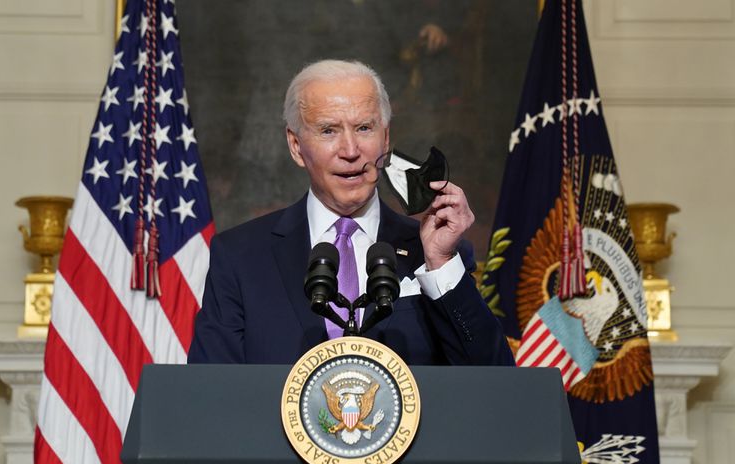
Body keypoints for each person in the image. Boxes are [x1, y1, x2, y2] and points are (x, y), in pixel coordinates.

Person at [188, 59, 513, 366]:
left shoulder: (431, 253)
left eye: (364, 128)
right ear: (296, 146)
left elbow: (491, 383)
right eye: (329, 130)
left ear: (385, 138)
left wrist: (440, 264)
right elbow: (212, 393)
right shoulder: (240, 257)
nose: (350, 151)